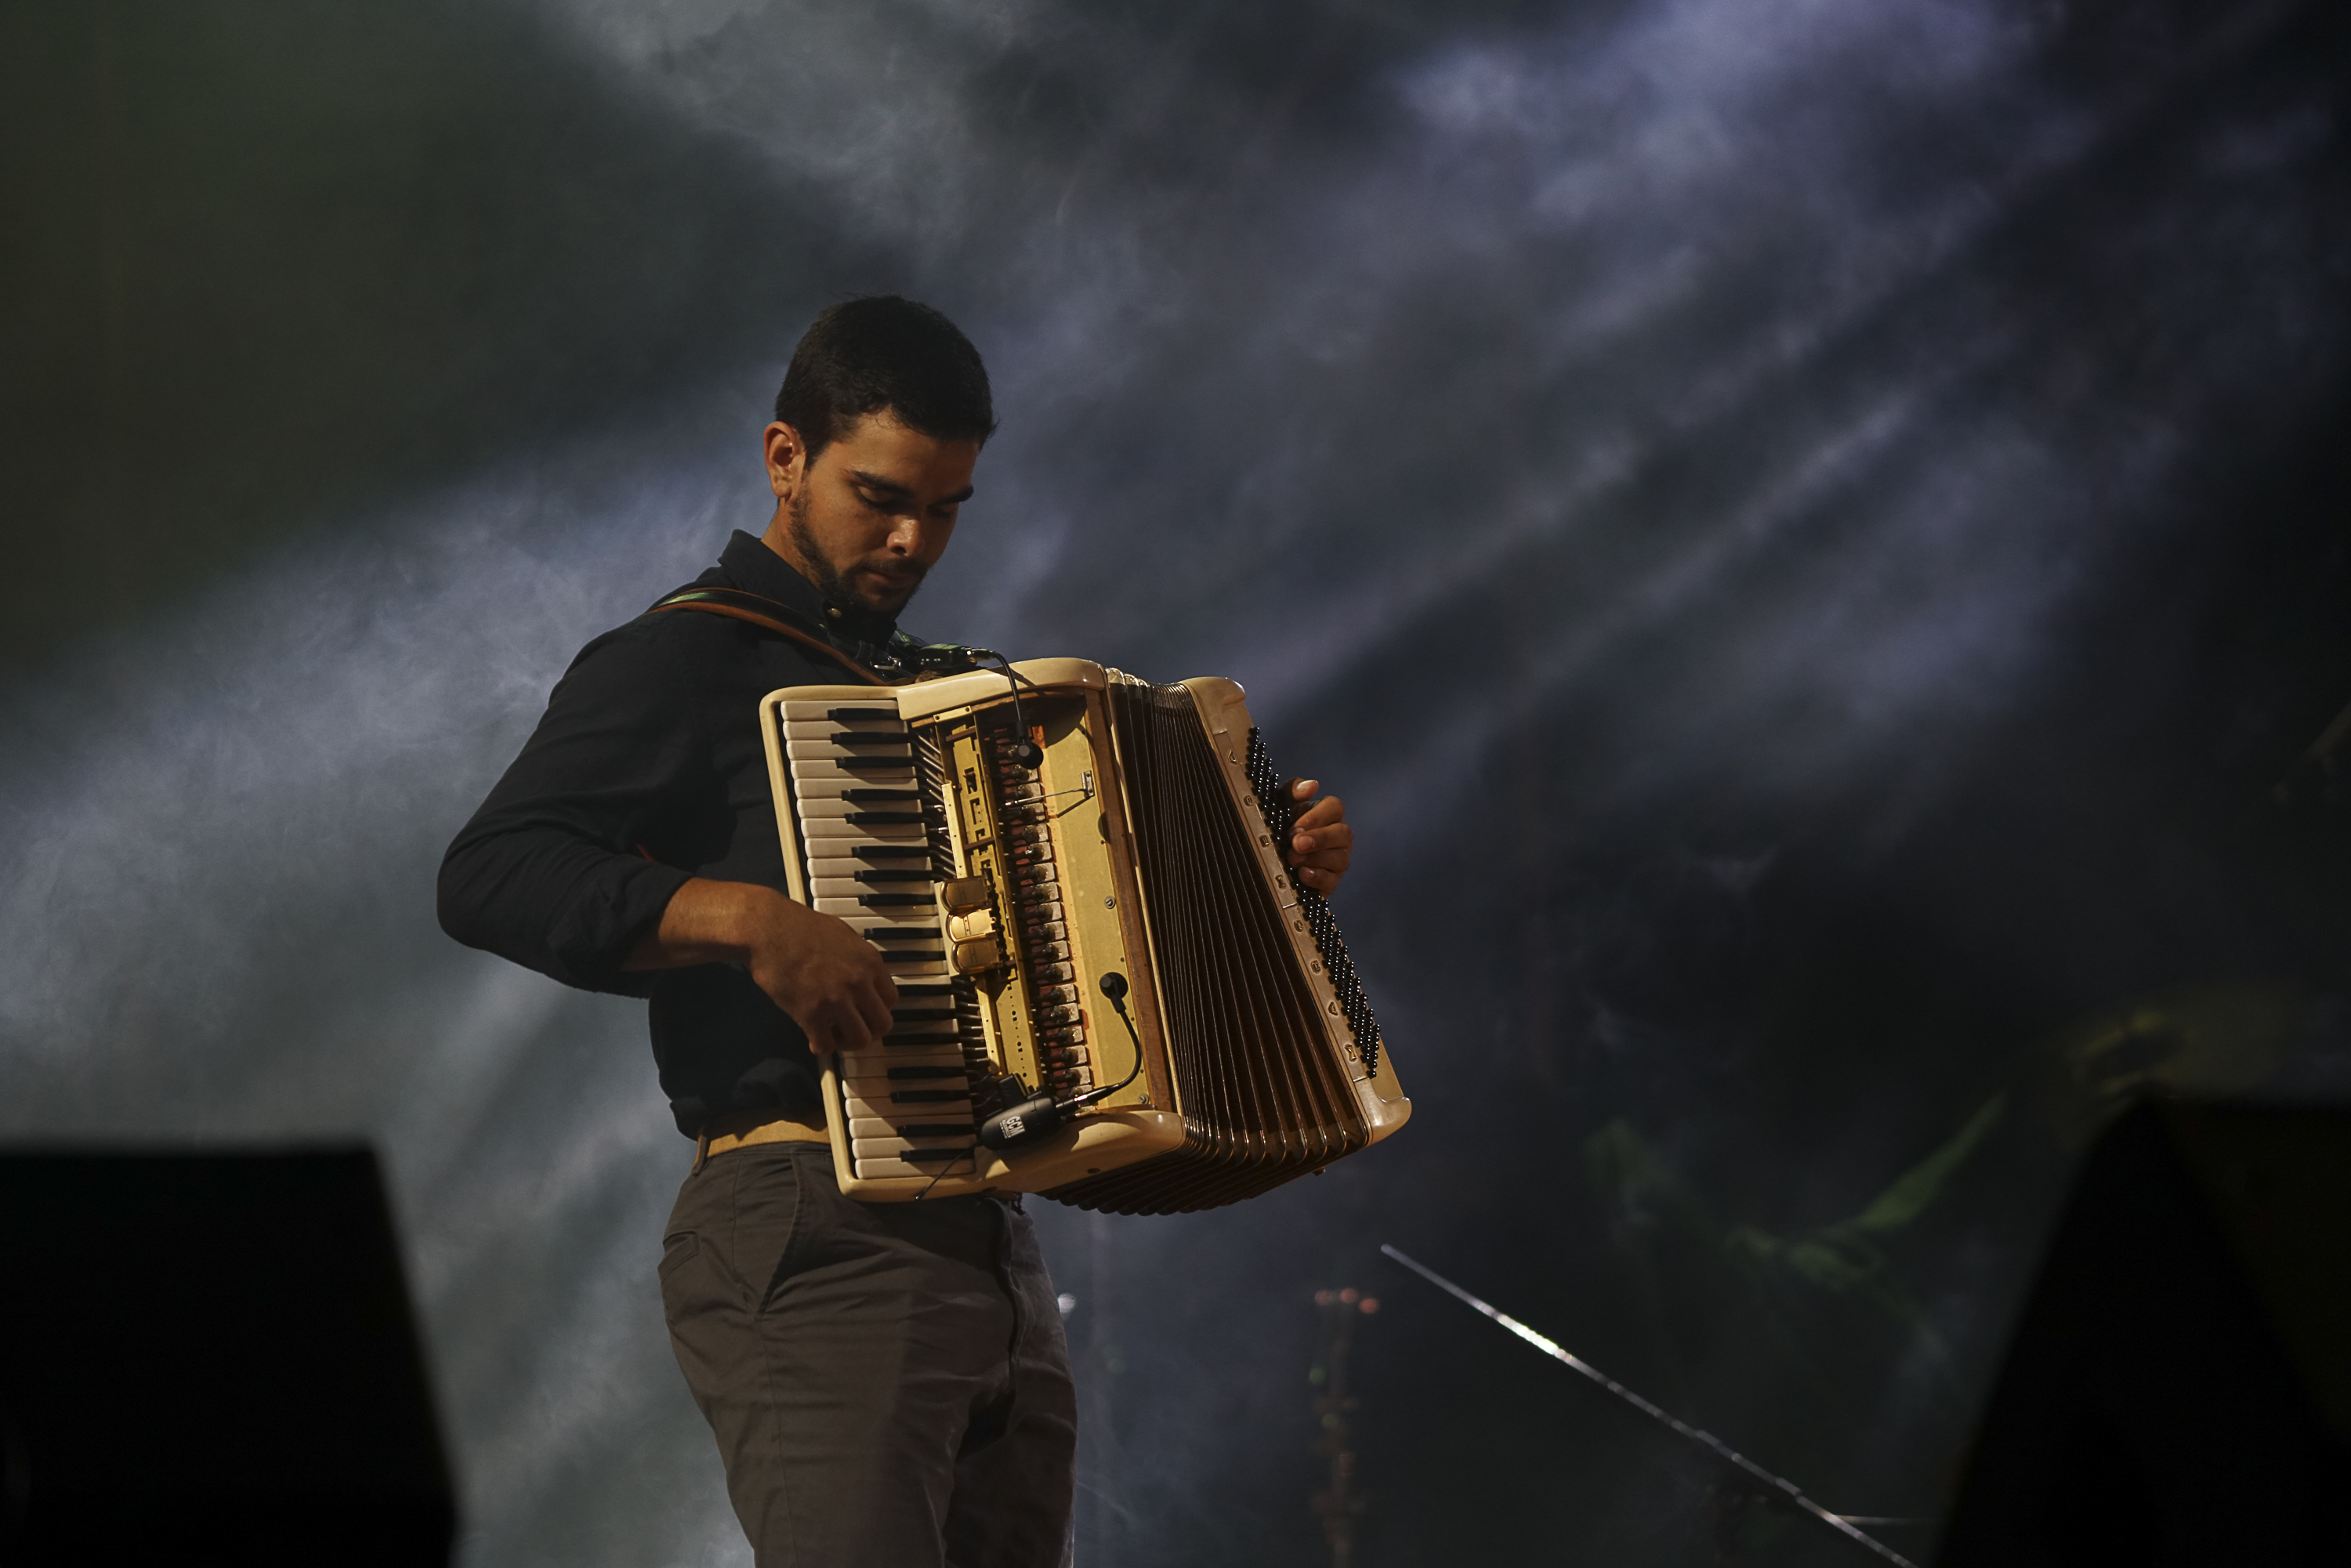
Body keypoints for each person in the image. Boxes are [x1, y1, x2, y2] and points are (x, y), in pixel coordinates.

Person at [437, 296, 1355, 1566]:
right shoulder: (684, 661)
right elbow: (490, 872)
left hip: (991, 1233)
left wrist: (1266, 868)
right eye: (881, 496)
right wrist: (749, 920)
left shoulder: (943, 687)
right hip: (808, 1211)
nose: (915, 537)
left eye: (947, 507)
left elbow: (1112, 923)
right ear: (784, 458)